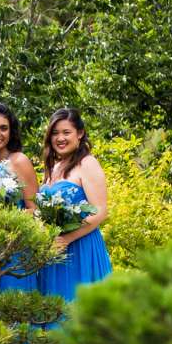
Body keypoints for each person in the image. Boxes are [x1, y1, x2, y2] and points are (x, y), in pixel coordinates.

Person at [35, 107, 112, 305]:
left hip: (80, 247)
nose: (60, 138)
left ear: (80, 133)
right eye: (55, 133)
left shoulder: (87, 163)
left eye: (66, 132)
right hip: (54, 249)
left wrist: (66, 239)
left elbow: (100, 212)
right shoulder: (53, 166)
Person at [0, 99, 41, 292]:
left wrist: (6, 220)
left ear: (11, 131)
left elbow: (35, 210)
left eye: (3, 128)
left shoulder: (19, 161)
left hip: (15, 248)